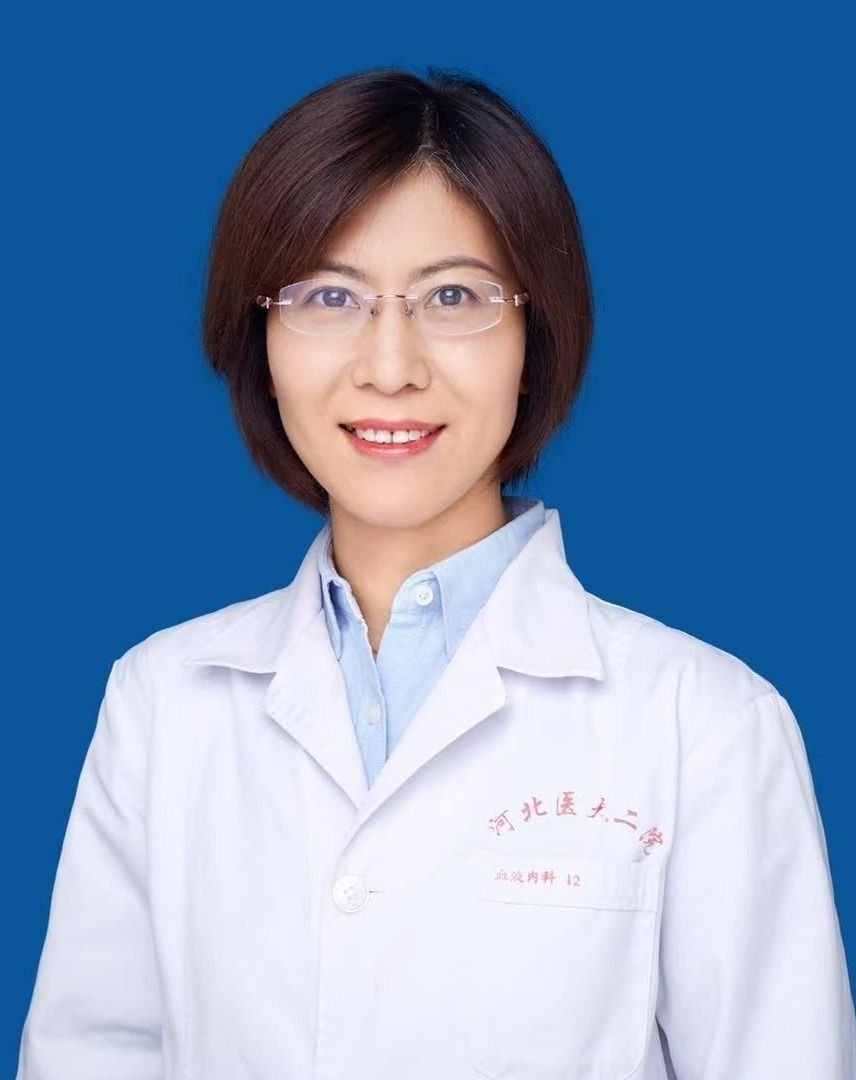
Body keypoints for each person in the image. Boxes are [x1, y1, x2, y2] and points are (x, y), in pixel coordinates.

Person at [16, 65, 856, 1080]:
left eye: (453, 296)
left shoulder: (704, 725)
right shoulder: (162, 702)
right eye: (329, 296)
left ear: (535, 333)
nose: (390, 367)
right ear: (260, 336)